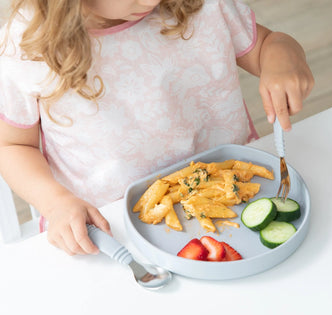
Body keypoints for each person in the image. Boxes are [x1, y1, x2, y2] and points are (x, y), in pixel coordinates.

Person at [0, 0, 314, 256]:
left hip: (230, 200)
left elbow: (269, 44)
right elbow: (12, 146)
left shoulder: (200, 5)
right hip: (106, 231)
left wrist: (283, 56)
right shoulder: (29, 44)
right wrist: (54, 203)